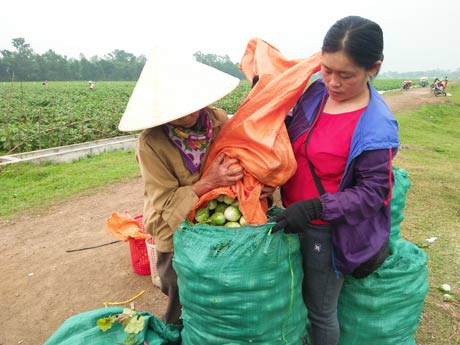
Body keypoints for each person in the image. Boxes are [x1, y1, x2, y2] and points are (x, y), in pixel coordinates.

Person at [271, 16, 400, 345]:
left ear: (373, 68)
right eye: (327, 70)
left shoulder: (376, 126)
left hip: (326, 230)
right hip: (296, 216)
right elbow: (288, 135)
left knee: (320, 309)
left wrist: (316, 206)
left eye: (346, 75)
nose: (333, 82)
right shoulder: (315, 95)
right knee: (295, 294)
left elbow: (374, 193)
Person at [117, 48, 245, 325]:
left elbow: (241, 156)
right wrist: (209, 182)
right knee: (180, 294)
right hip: (173, 227)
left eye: (190, 103)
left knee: (222, 292)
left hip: (216, 223)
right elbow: (163, 202)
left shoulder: (219, 120)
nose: (187, 114)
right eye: (176, 108)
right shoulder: (151, 143)